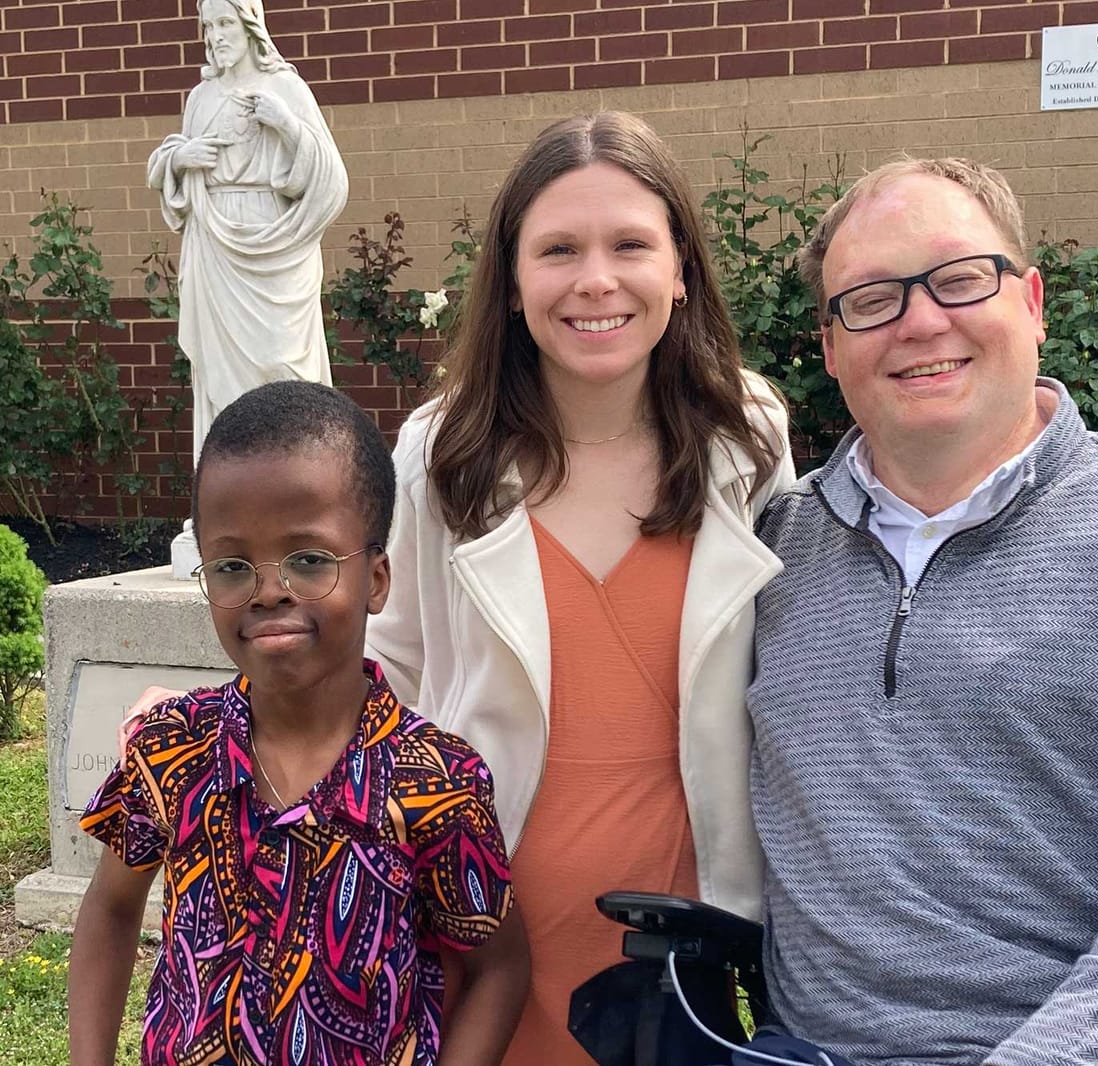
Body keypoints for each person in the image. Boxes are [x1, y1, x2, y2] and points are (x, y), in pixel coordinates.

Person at [737, 158, 1098, 1066]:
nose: (921, 321)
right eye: (870, 299)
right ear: (829, 345)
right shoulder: (772, 547)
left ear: (1033, 301)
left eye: (960, 279)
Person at [363, 111, 795, 1063]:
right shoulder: (441, 455)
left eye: (631, 245)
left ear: (680, 272)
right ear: (513, 284)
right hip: (483, 934)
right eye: (558, 249)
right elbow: (387, 670)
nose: (596, 280)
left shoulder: (747, 435)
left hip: (678, 943)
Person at [67, 381, 529, 1066]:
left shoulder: (436, 778)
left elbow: (500, 966)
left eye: (308, 559)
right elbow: (108, 912)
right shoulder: (169, 751)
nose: (270, 588)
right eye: (231, 565)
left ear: (376, 579)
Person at [146, 0, 346, 469]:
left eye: (225, 23)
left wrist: (287, 125)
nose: (215, 35)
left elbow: (331, 178)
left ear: (249, 25)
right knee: (221, 379)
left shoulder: (285, 87)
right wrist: (181, 158)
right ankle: (230, 492)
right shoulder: (201, 98)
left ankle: (298, 481)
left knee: (283, 365)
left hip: (275, 242)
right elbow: (173, 167)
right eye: (208, 25)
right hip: (215, 244)